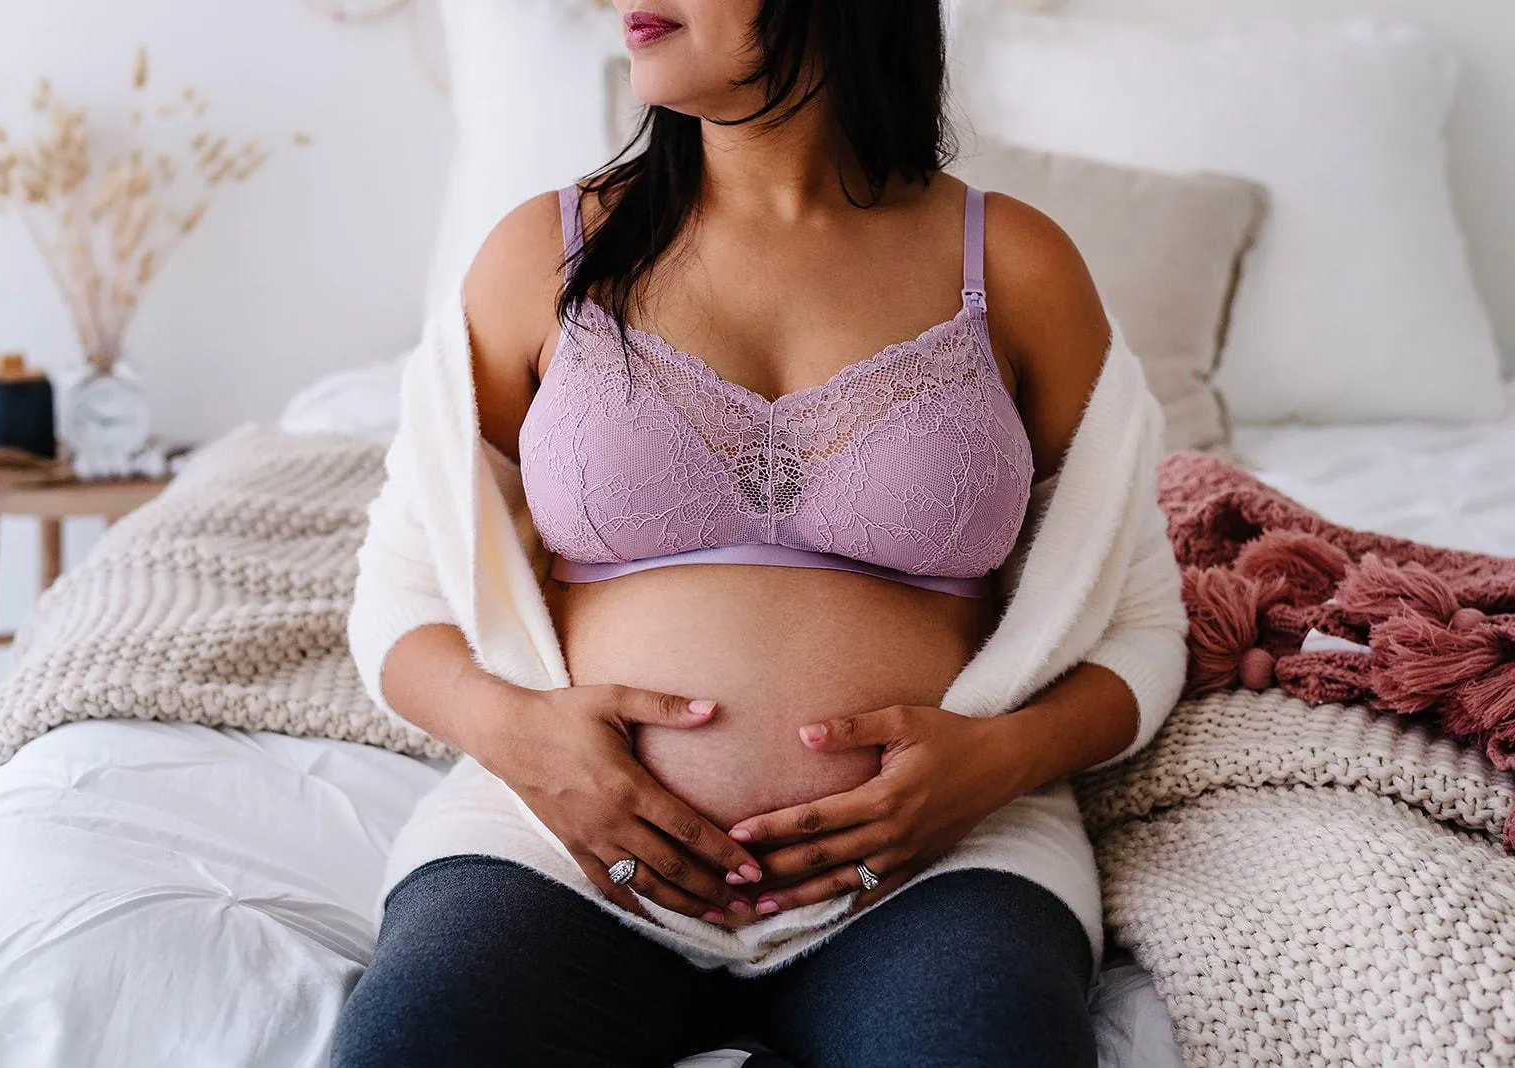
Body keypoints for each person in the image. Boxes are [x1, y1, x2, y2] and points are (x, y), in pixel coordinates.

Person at [333, 1, 1187, 1064]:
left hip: (940, 863)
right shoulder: (544, 256)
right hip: (558, 846)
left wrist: (998, 761)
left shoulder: (1010, 263)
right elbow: (398, 594)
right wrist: (519, 740)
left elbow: (1144, 626)